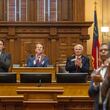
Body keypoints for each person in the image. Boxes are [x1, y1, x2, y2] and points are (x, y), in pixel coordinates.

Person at [88, 43, 110, 110]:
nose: (103, 51)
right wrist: (95, 84)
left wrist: (103, 81)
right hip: (99, 106)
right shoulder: (97, 71)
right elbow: (91, 93)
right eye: (101, 50)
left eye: (105, 50)